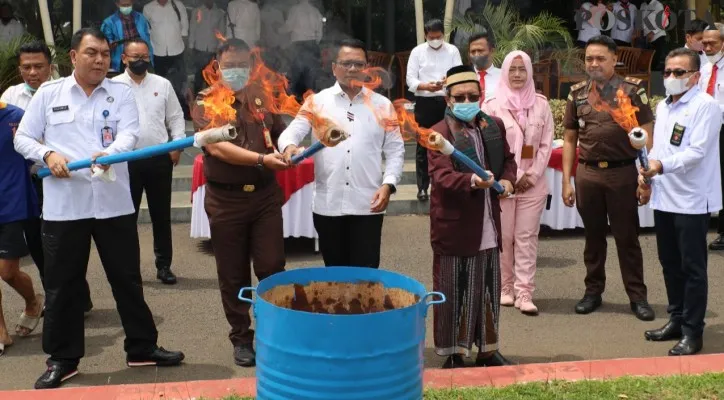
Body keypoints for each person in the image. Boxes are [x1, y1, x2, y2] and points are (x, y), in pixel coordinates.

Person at [13, 27, 184, 390]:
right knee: (62, 285)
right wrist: (48, 154)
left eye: (105, 54)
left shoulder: (120, 92)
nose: (100, 60)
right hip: (65, 206)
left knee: (127, 278)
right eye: (92, 53)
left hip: (113, 202)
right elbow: (23, 137)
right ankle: (62, 359)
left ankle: (142, 347)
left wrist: (110, 155)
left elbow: (130, 133)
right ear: (73, 57)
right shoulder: (50, 93)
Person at [191, 38, 289, 368]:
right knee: (233, 273)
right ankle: (241, 337)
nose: (236, 70)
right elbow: (218, 149)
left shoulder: (263, 95)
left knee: (272, 266)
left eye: (242, 64)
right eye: (229, 65)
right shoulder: (206, 102)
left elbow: (281, 134)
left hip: (264, 198)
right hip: (226, 200)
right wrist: (262, 159)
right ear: (216, 67)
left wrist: (288, 149)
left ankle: (275, 333)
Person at [280, 38, 405, 269]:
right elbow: (291, 133)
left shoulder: (383, 105)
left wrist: (388, 185)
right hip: (328, 205)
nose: (353, 69)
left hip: (368, 205)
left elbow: (396, 150)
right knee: (334, 277)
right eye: (346, 63)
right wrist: (289, 148)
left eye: (359, 64)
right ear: (334, 67)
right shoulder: (316, 102)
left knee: (366, 276)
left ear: (367, 68)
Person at [561, 35, 655, 321]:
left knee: (627, 238)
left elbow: (647, 129)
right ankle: (593, 292)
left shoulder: (632, 91)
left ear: (615, 60)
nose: (594, 63)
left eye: (601, 58)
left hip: (622, 173)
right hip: (588, 173)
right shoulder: (577, 93)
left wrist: (644, 173)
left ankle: (637, 297)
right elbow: (569, 137)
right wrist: (567, 180)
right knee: (593, 238)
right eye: (589, 58)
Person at [428, 64, 516, 368]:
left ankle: (488, 350)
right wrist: (472, 181)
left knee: (489, 289)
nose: (467, 101)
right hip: (456, 225)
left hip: (488, 222)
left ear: (481, 95)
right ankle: (454, 352)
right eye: (460, 96)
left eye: (472, 95)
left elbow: (508, 161)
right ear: (448, 100)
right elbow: (441, 177)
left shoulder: (495, 126)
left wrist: (507, 181)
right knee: (454, 290)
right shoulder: (438, 134)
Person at [638, 48, 722, 356]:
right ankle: (676, 318)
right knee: (669, 264)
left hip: (691, 199)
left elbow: (697, 152)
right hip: (664, 197)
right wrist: (646, 176)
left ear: (695, 76)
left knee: (692, 268)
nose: (671, 77)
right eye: (668, 72)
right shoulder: (664, 106)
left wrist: (659, 166)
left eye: (679, 72)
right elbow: (658, 148)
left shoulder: (706, 106)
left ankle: (692, 331)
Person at [481, 51, 554, 315]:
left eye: (522, 69)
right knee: (505, 237)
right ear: (504, 73)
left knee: (526, 238)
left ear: (530, 72)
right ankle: (505, 288)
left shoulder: (541, 105)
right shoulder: (491, 106)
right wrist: (504, 179)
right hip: (503, 185)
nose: (517, 75)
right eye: (512, 69)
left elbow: (546, 146)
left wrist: (530, 175)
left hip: (532, 185)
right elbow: (486, 147)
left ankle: (525, 292)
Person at [113, 38, 185, 284]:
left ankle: (164, 266)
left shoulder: (162, 84)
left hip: (158, 159)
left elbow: (176, 117)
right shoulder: (113, 86)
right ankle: (129, 268)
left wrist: (177, 146)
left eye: (144, 56)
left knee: (161, 216)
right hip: (126, 161)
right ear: (124, 58)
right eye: (135, 57)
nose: (140, 61)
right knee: (126, 217)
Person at [0, 102, 44, 357]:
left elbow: (35, 154)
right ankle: (2, 331)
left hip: (11, 205)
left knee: (7, 273)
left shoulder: (16, 117)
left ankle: (32, 301)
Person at [406, 19, 463, 201]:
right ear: (426, 35)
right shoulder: (417, 52)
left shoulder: (452, 51)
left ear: (443, 35)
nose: (435, 40)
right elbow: (410, 79)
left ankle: (448, 182)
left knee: (449, 141)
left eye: (438, 37)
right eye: (432, 37)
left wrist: (447, 82)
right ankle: (422, 187)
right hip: (425, 101)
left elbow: (459, 74)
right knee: (423, 144)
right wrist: (424, 86)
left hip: (447, 100)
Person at [143, 0, 190, 120]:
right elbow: (146, 31)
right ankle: (162, 114)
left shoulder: (178, 5)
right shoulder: (148, 8)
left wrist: (185, 50)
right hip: (158, 53)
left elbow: (184, 29)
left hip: (177, 51)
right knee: (160, 85)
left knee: (179, 85)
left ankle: (182, 113)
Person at [699, 24, 724, 250]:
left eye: (712, 43)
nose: (706, 47)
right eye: (704, 42)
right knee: (711, 177)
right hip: (706, 130)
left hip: (722, 127)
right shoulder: (706, 67)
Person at [100, 0, 153, 74]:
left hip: (142, 59)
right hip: (121, 62)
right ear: (117, 4)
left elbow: (147, 39)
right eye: (123, 5)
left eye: (128, 5)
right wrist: (110, 45)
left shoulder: (141, 18)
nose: (126, 7)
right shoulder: (109, 22)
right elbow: (104, 45)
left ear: (132, 3)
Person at [189, 0, 227, 94]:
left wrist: (220, 47)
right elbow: (193, 28)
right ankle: (197, 97)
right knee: (199, 74)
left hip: (212, 48)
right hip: (199, 47)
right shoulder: (197, 11)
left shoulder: (219, 13)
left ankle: (209, 98)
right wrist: (191, 45)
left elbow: (221, 31)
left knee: (210, 75)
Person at [468, 29, 500, 102]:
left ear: (492, 51)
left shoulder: (504, 76)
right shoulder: (464, 77)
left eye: (480, 50)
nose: (476, 55)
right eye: (473, 51)